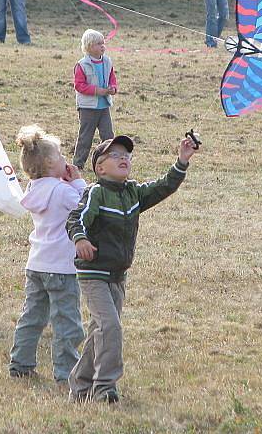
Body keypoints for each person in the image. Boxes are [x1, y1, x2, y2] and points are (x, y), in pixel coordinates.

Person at [66, 134, 198, 403]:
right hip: (94, 275)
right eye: (115, 155)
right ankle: (105, 388)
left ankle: (80, 386)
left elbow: (163, 187)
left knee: (101, 330)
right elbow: (75, 218)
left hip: (117, 276)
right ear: (100, 167)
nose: (123, 158)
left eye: (126, 155)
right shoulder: (96, 192)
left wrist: (182, 161)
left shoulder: (134, 193)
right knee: (111, 327)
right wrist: (80, 239)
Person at [8, 125, 86, 383]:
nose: (66, 160)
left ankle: (21, 363)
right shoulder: (63, 191)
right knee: (67, 323)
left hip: (37, 264)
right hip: (62, 267)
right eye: (62, 156)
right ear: (52, 163)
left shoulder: (33, 189)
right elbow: (85, 209)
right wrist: (78, 182)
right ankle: (66, 373)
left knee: (32, 316)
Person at [72, 29, 117, 170]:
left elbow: (112, 77)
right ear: (89, 47)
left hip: (104, 106)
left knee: (108, 136)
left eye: (103, 43)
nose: (102, 46)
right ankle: (78, 164)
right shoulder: (82, 65)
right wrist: (98, 91)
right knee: (85, 137)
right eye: (99, 44)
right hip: (88, 108)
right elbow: (79, 86)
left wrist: (113, 88)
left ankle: (110, 162)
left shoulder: (107, 61)